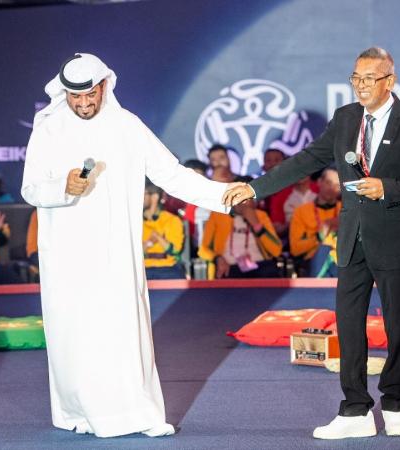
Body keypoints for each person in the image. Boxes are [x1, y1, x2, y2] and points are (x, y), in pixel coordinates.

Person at [223, 47, 400, 438]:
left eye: (368, 79)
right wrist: (254, 188)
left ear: (389, 81)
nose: (360, 86)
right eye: (355, 78)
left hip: (395, 238)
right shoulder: (345, 118)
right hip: (351, 239)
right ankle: (355, 410)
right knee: (349, 324)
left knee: (397, 326)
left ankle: (394, 403)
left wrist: (388, 188)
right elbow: (306, 159)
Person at [20, 53, 237, 438]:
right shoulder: (48, 129)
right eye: (76, 98)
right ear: (65, 94)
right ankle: (79, 413)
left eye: (90, 95)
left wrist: (223, 195)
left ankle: (134, 414)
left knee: (121, 332)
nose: (84, 104)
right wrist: (61, 187)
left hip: (115, 253)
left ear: (104, 85)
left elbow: (171, 175)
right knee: (74, 336)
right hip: (67, 256)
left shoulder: (127, 126)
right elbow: (31, 188)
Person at [201, 177, 282, 279]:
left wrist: (256, 224)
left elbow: (276, 251)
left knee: (270, 272)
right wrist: (217, 258)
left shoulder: (261, 216)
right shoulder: (218, 216)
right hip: (229, 266)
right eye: (239, 196)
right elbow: (203, 250)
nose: (243, 201)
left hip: (259, 265)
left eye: (248, 197)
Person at [289, 167, 342, 277]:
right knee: (325, 250)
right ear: (319, 182)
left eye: (337, 185)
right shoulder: (301, 211)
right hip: (313, 260)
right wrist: (319, 236)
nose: (331, 188)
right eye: (328, 183)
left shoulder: (347, 210)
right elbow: (295, 249)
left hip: (342, 260)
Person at [143, 179, 186, 280]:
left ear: (154, 197)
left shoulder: (171, 220)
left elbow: (175, 251)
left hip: (168, 268)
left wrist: (157, 237)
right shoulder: (135, 221)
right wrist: (150, 242)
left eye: (143, 194)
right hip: (143, 269)